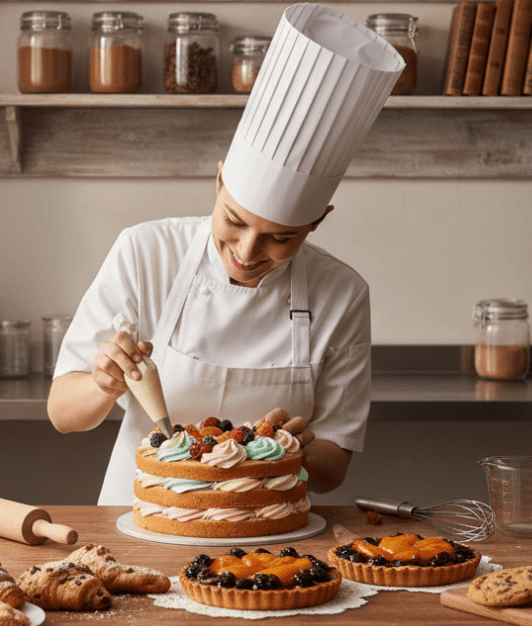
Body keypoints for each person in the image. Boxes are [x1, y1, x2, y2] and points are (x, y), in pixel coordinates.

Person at [46, 4, 406, 506]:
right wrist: (103, 384)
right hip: (139, 518)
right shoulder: (145, 251)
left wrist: (295, 449)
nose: (247, 251)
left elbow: (333, 467)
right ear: (218, 182)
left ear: (318, 220)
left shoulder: (341, 294)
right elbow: (63, 413)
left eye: (280, 238)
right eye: (233, 221)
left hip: (271, 539)